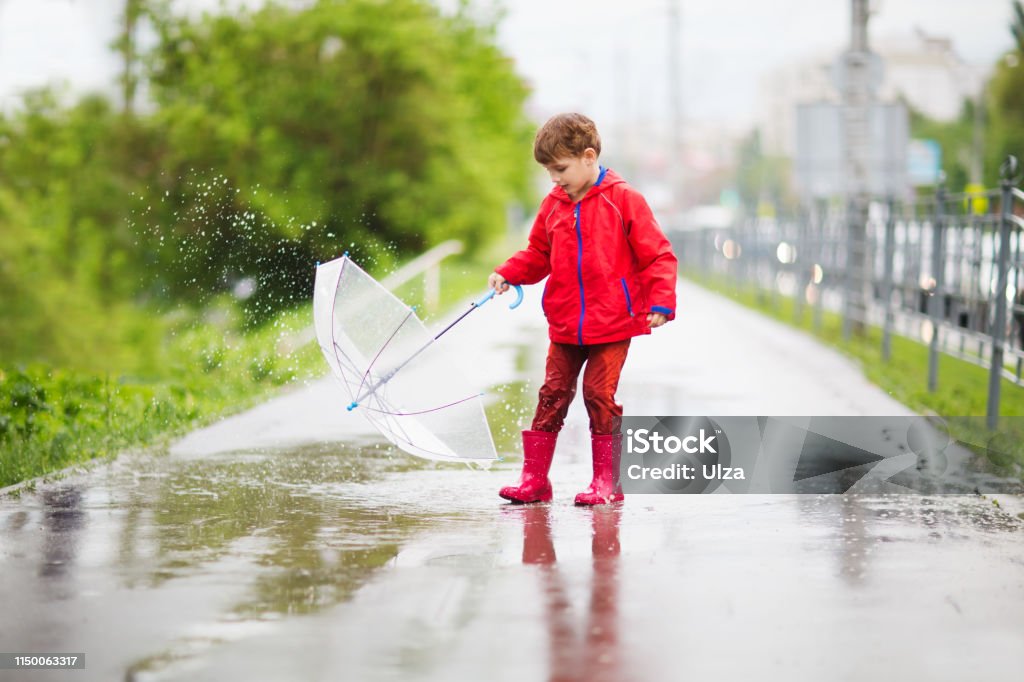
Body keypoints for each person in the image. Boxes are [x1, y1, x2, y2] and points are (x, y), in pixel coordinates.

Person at [489, 113, 678, 505]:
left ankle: (606, 483)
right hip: (565, 320)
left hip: (613, 322)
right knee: (552, 393)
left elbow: (658, 255)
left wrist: (660, 301)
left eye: (560, 169)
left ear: (589, 157)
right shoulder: (553, 205)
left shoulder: (624, 199)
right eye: (548, 171)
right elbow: (539, 253)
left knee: (597, 394)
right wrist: (510, 273)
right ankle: (535, 481)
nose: (554, 178)